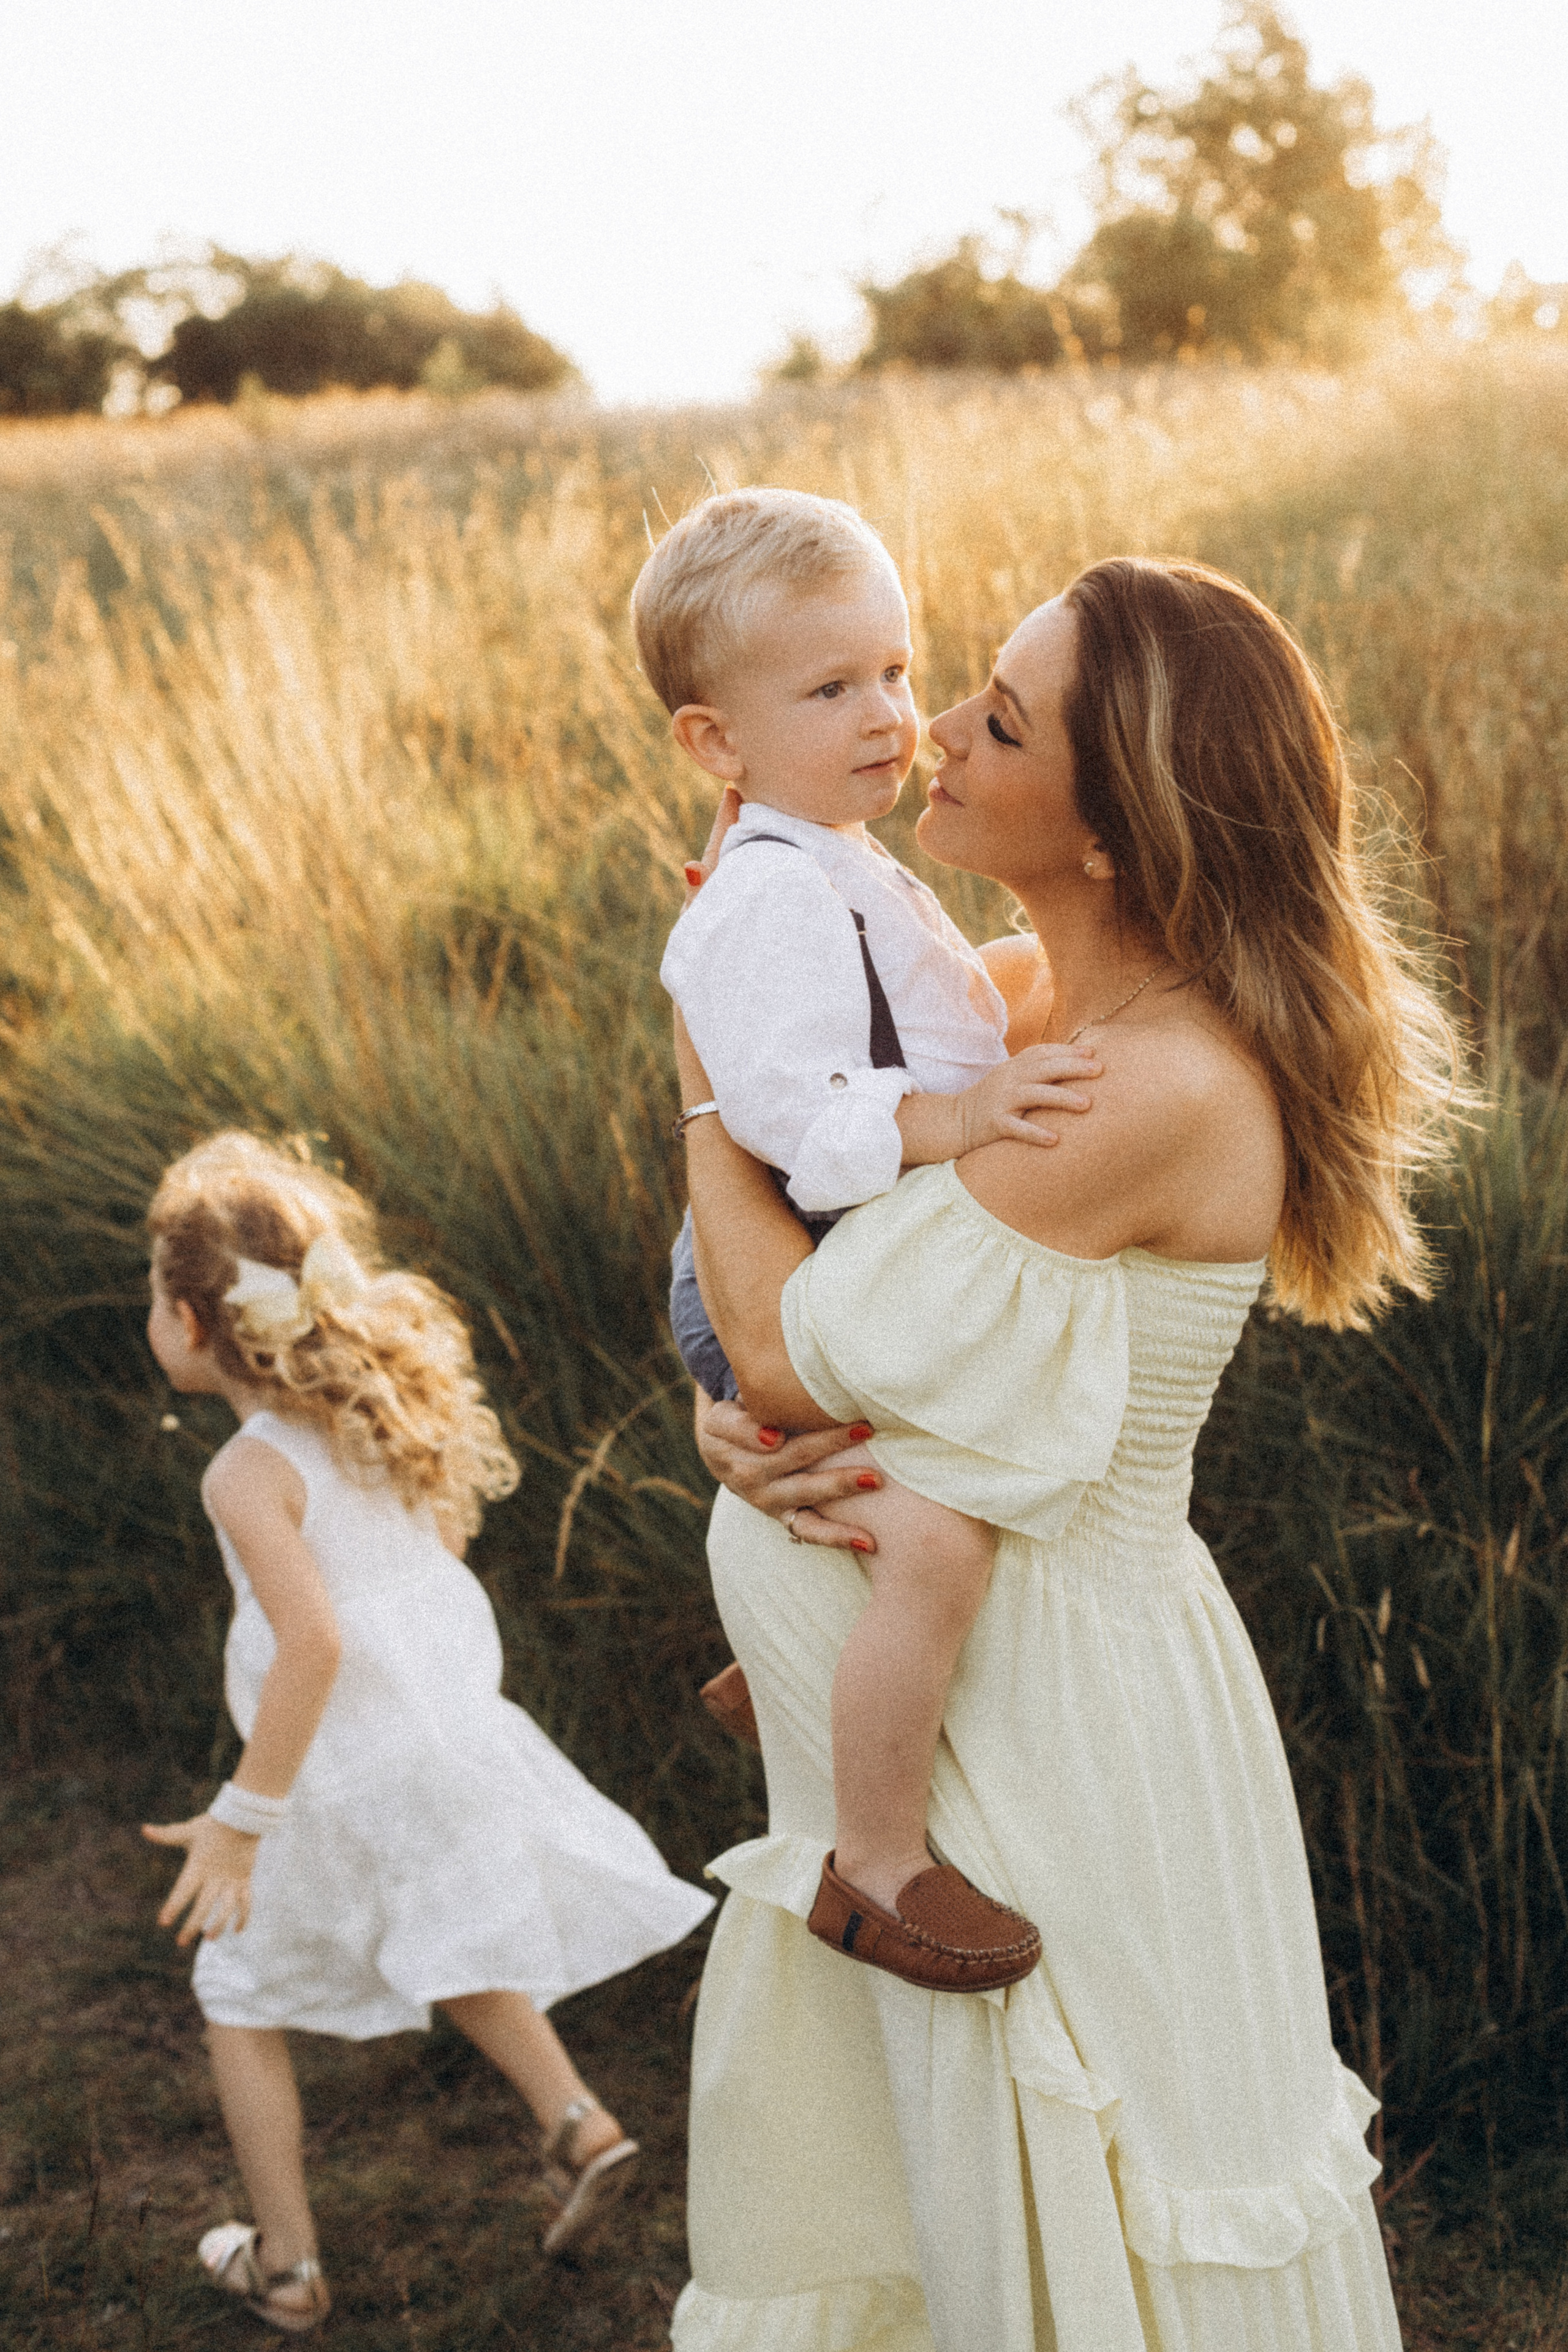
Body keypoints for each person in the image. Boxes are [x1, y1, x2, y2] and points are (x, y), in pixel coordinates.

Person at [668, 557, 1458, 2350]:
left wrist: (705, 1083)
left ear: (1117, 834)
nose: (928, 725)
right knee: (940, 2226)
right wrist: (742, 1423)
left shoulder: (1151, 1084)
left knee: (1071, 2208)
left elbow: (799, 1346)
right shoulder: (1013, 1004)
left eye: (998, 720)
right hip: (965, 1707)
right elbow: (815, 1335)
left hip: (1054, 1735)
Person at [637, 488, 1099, 1985]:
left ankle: (779, 1675)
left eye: (896, 672)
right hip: (789, 1242)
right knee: (930, 1537)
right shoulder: (771, 887)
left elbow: (934, 1007)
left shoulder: (832, 852)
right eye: (832, 689)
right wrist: (955, 1125)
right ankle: (875, 1859)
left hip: (835, 1239)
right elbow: (786, 1107)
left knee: (929, 1494)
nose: (892, 714)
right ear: (716, 743)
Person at [140, 1133, 713, 2332]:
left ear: (196, 1322)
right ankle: (575, 2122)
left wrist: (243, 1821)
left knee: (236, 1995)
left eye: (154, 1290)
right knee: (443, 1932)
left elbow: (314, 1646)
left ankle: (287, 2267)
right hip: (442, 1743)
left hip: (329, 1773)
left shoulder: (247, 1471)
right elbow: (425, 1570)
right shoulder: (363, 1417)